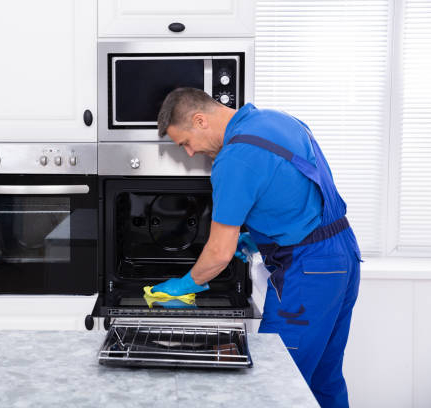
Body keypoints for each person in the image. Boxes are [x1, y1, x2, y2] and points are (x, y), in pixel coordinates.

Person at [151, 87, 361, 408]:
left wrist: (184, 285)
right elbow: (297, 192)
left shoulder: (234, 158)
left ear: (200, 120)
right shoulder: (276, 120)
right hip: (342, 256)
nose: (190, 154)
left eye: (186, 143)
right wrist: (259, 238)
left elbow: (219, 253)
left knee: (272, 388)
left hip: (310, 272)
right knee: (323, 380)